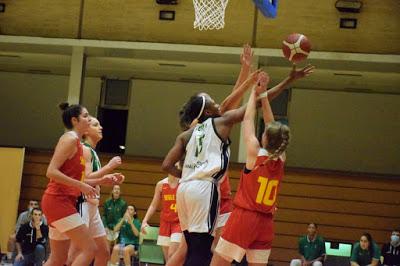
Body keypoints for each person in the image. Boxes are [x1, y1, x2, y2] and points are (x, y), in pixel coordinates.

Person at [211, 73, 290, 266]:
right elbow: (273, 126)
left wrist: (254, 93)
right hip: (266, 223)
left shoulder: (255, 153)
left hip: (244, 218)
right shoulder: (281, 157)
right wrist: (264, 97)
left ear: (265, 138)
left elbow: (247, 121)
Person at [41, 102, 98, 266]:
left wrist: (101, 180)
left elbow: (75, 178)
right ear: (74, 120)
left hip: (64, 201)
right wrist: (81, 186)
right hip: (57, 200)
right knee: (90, 249)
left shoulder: (79, 144)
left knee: (58, 259)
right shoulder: (70, 139)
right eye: (86, 116)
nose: (90, 119)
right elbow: (51, 171)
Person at [67, 116, 124, 266]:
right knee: (75, 253)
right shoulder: (85, 150)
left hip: (92, 206)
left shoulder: (92, 151)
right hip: (82, 204)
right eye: (96, 125)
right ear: (86, 130)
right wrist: (109, 167)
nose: (101, 127)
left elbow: (94, 180)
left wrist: (109, 178)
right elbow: (83, 179)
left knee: (103, 252)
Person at [141, 173, 181, 262]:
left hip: (179, 223)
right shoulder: (161, 184)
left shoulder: (183, 183)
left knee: (172, 255)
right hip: (165, 223)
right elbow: (153, 205)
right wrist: (145, 220)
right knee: (168, 259)